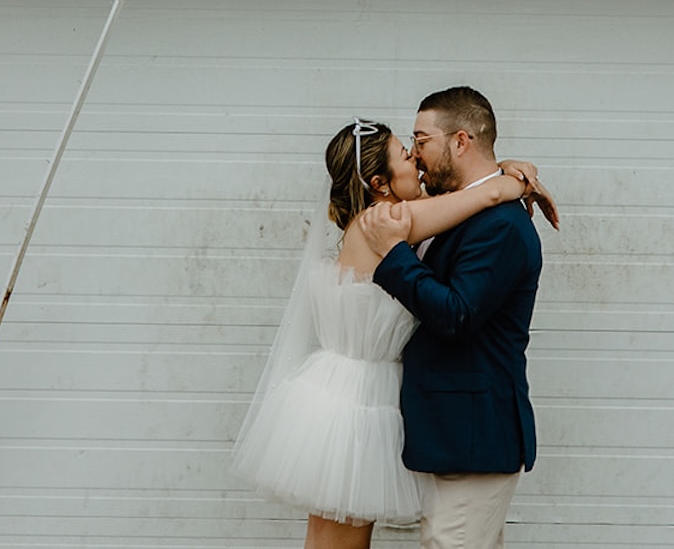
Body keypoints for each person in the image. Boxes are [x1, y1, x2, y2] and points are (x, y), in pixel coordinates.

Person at [233, 118, 557, 549]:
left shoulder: (396, 220)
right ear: (379, 182)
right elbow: (487, 194)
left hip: (361, 395)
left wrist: (505, 168)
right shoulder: (383, 222)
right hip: (355, 403)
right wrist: (511, 181)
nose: (417, 161)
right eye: (407, 154)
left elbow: (467, 196)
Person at [360, 87, 542, 549]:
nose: (416, 156)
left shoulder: (500, 224)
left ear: (460, 142)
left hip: (474, 437)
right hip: (456, 436)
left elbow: (458, 314)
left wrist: (394, 257)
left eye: (421, 141)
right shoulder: (469, 208)